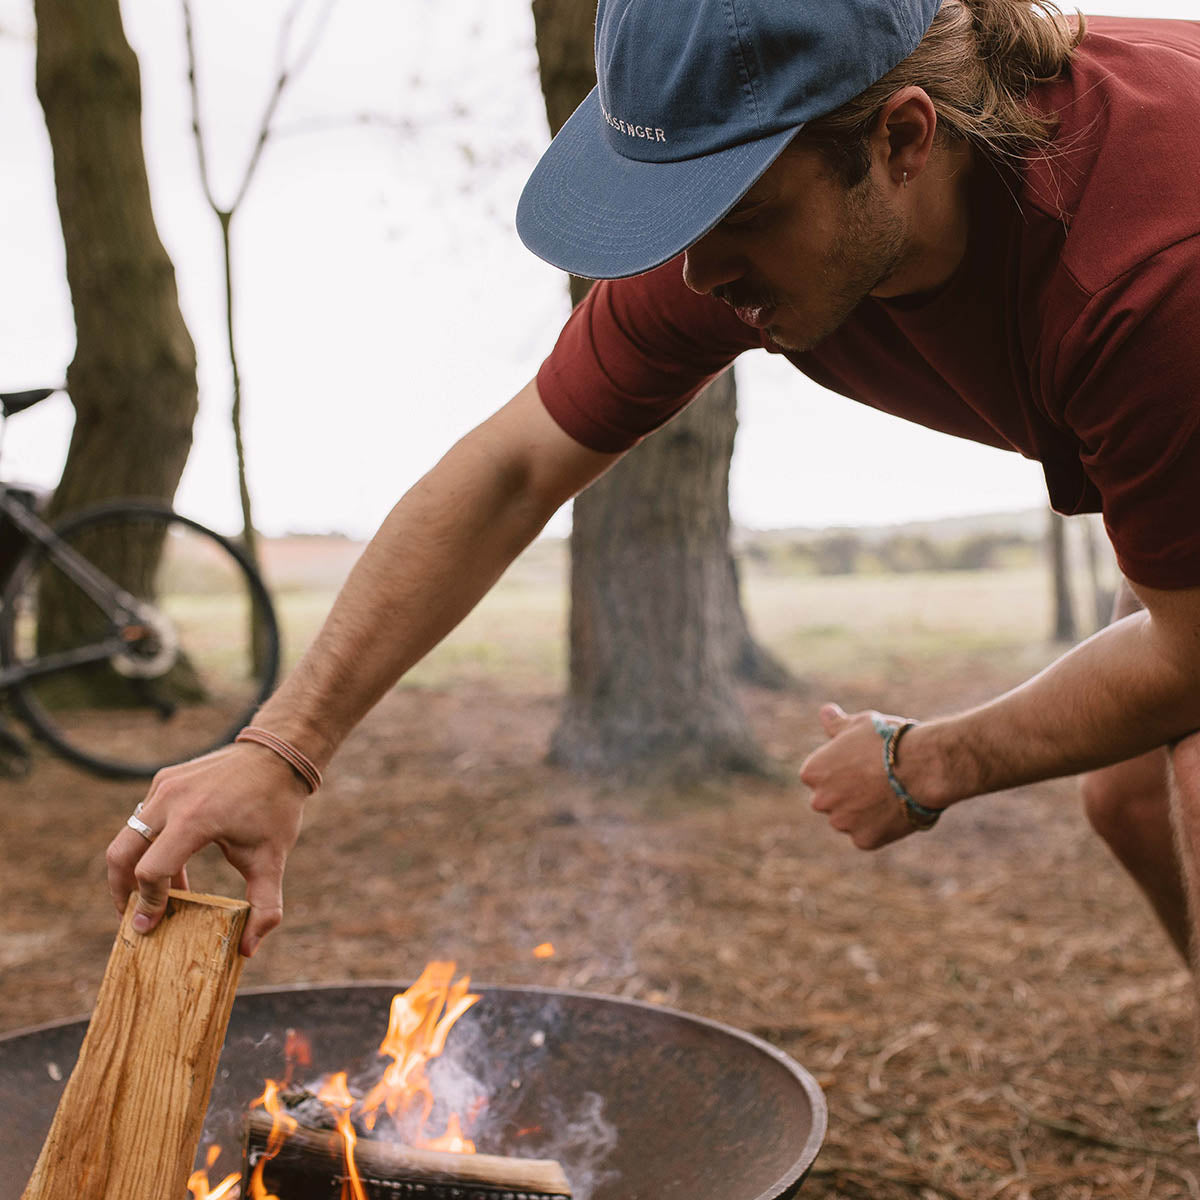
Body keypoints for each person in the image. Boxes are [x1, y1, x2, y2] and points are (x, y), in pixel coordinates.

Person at [109, 0, 1200, 985]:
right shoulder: (741, 242)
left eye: (735, 211)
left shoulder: (1148, 273)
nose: (695, 276)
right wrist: (280, 749)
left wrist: (929, 761)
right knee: (1129, 799)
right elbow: (512, 467)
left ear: (903, 139)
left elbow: (1186, 659)